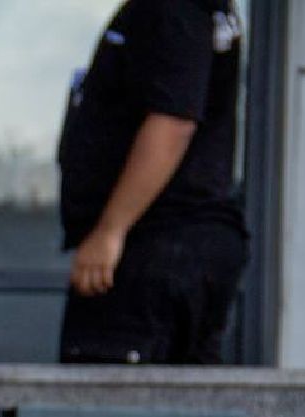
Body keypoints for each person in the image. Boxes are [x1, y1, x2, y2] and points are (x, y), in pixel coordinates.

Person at [57, 0, 247, 365]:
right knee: (178, 412)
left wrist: (111, 230)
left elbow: (173, 122)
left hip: (153, 250)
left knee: (111, 408)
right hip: (181, 243)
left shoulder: (173, 8)